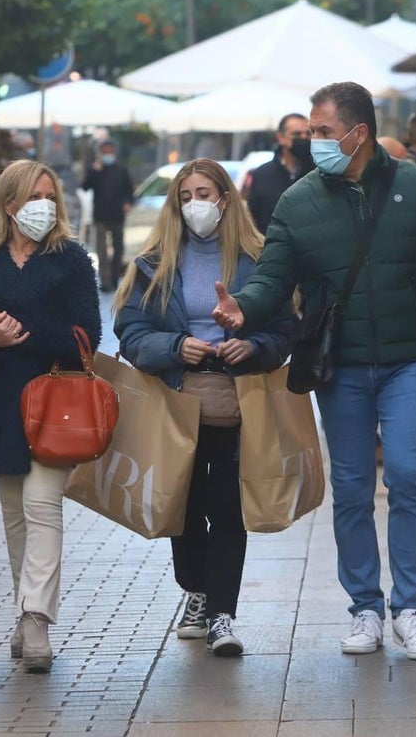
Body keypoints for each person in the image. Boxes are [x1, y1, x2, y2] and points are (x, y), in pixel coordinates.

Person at [211, 82, 416, 660]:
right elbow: (274, 278)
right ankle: (366, 608)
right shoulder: (298, 201)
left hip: (410, 358)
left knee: (405, 474)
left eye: (322, 132)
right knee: (349, 486)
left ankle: (411, 609)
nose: (311, 141)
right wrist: (243, 308)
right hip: (338, 364)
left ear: (358, 133)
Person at [114, 159, 294, 657]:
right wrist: (176, 347)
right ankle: (195, 588)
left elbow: (284, 331)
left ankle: (221, 614)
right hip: (175, 402)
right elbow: (131, 335)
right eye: (187, 194)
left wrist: (252, 346)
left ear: (226, 199)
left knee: (227, 508)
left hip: (238, 403)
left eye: (206, 193)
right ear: (176, 204)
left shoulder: (257, 260)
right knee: (185, 507)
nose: (197, 203)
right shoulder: (153, 264)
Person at [0, 160, 101, 673]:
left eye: (50, 197)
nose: (44, 207)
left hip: (55, 407)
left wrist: (19, 330)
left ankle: (35, 619)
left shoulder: (71, 260)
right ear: (9, 205)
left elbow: (86, 339)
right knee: (15, 518)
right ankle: (26, 613)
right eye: (34, 197)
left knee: (40, 507)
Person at [245, 113, 313, 234]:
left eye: (308, 134)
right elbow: (252, 219)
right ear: (281, 138)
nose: (303, 138)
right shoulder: (262, 174)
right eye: (296, 134)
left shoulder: (317, 173)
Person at [80, 139, 134, 291]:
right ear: (100, 153)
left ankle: (115, 279)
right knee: (101, 251)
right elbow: (85, 187)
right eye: (105, 152)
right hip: (100, 217)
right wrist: (94, 171)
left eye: (110, 151)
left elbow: (129, 190)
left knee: (118, 250)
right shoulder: (95, 170)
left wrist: (128, 203)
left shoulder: (122, 170)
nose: (108, 154)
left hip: (118, 216)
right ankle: (105, 282)